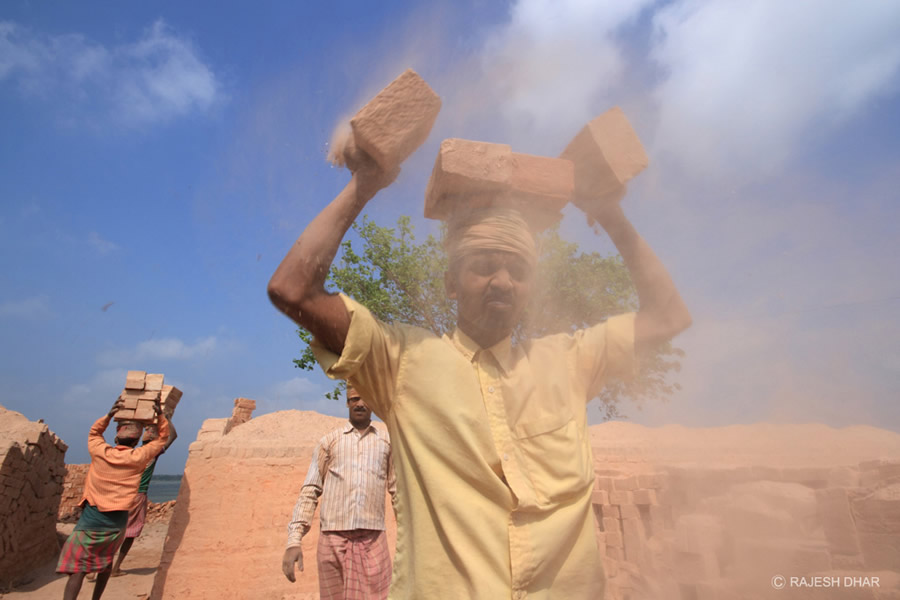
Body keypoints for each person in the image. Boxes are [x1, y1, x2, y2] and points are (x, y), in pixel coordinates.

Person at [268, 151, 691, 598]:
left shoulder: (570, 361)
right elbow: (292, 289)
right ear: (451, 283)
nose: (504, 281)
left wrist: (607, 210)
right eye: (485, 266)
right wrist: (366, 183)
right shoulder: (401, 360)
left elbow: (668, 316)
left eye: (519, 270)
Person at [281, 386, 396, 600]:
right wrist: (294, 541)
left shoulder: (386, 443)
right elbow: (310, 490)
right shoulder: (329, 442)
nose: (360, 404)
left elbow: (398, 494)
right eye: (354, 399)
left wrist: (412, 543)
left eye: (366, 398)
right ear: (347, 402)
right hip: (332, 540)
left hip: (373, 540)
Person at [57, 398, 169, 600]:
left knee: (78, 570)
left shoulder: (100, 452)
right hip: (116, 524)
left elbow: (94, 432)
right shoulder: (138, 457)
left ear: (116, 439)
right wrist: (160, 415)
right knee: (105, 565)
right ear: (136, 442)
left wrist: (109, 415)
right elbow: (163, 438)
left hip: (90, 521)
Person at [102, 419, 178, 577]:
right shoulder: (150, 454)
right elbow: (173, 435)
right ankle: (115, 568)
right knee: (130, 533)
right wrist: (165, 416)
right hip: (136, 497)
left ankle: (99, 564)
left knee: (111, 531)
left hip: (116, 495)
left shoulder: (122, 453)